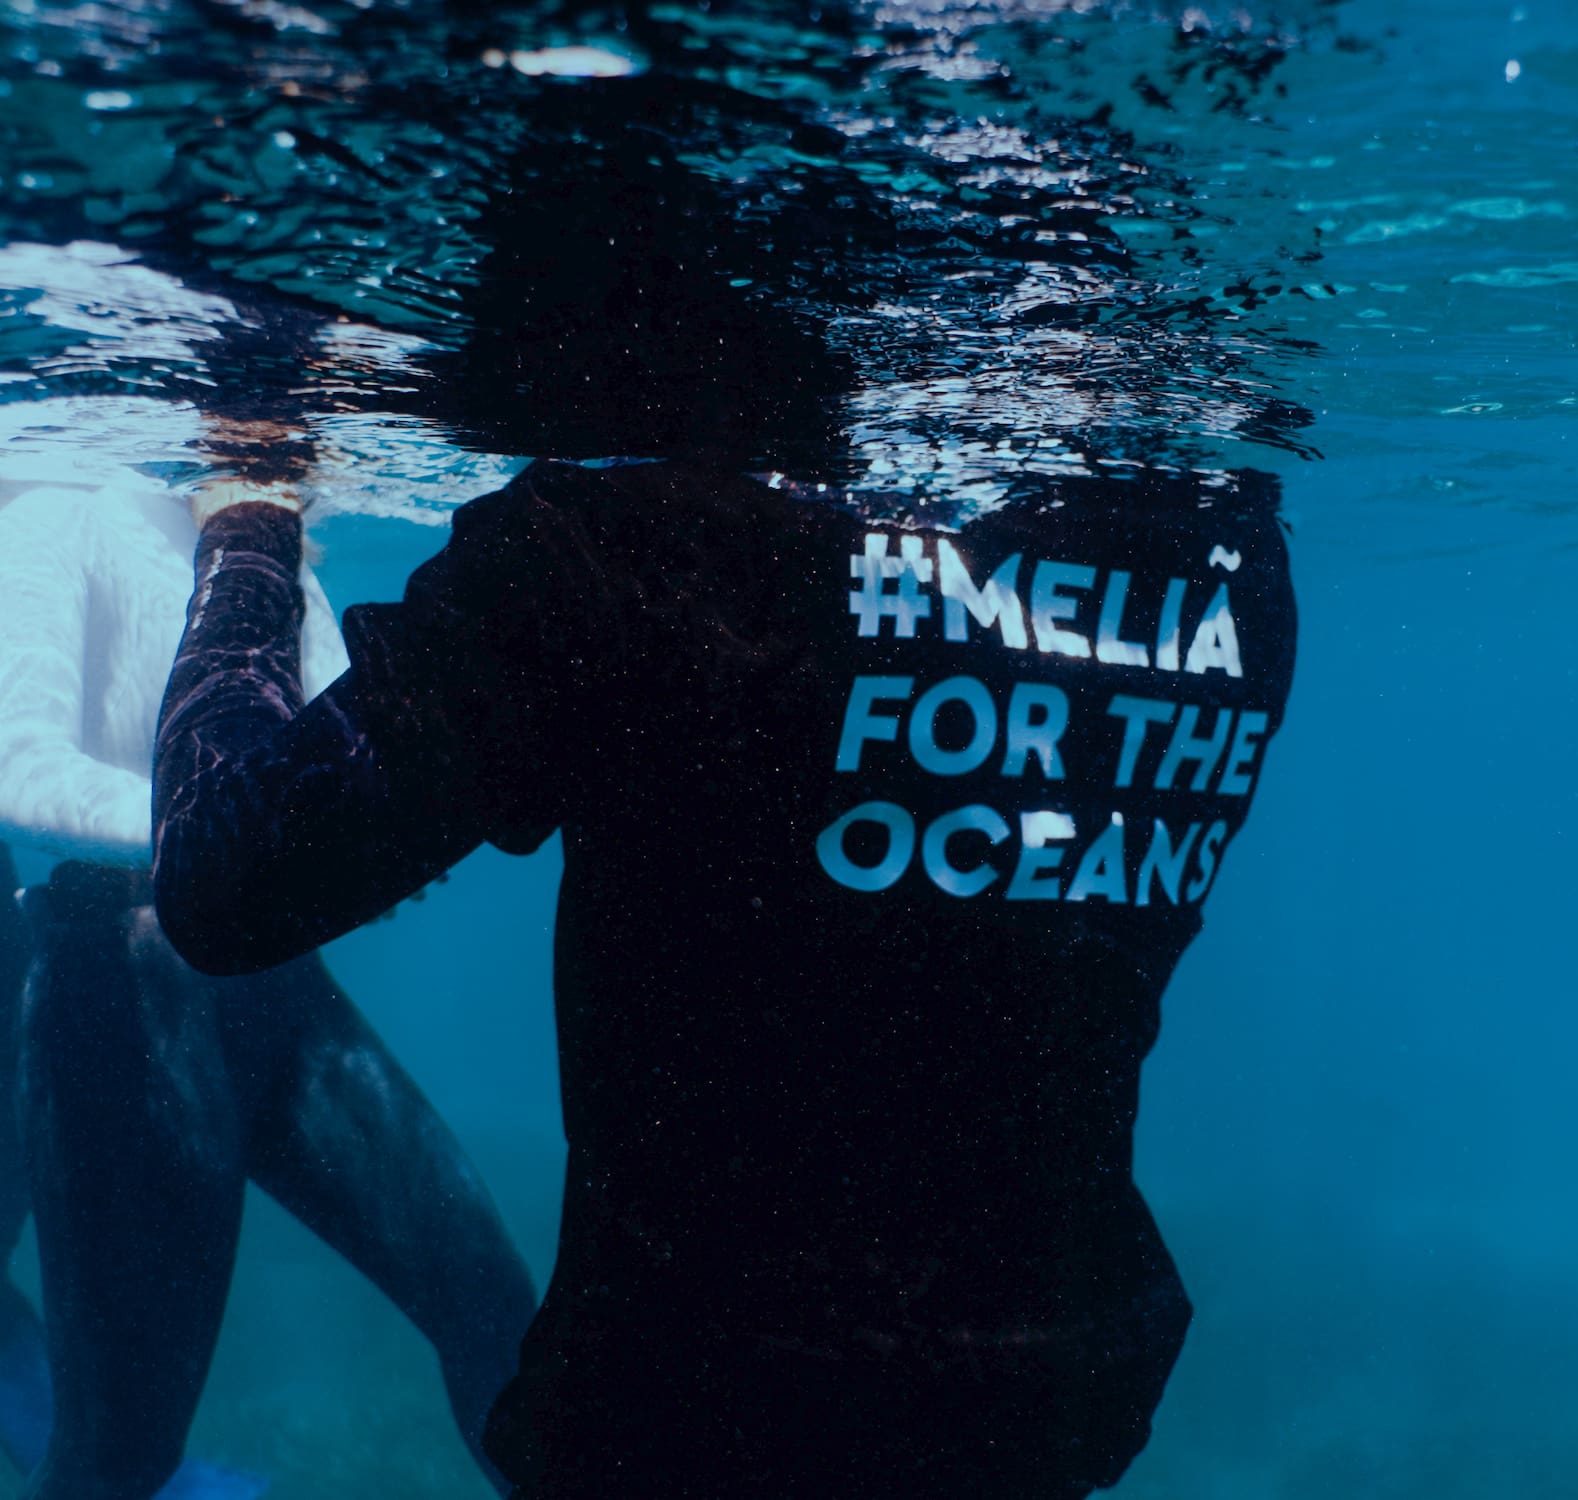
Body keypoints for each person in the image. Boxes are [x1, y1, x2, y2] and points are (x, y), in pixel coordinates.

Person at [152, 450, 1298, 1498]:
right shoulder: (1223, 548)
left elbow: (228, 879)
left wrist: (249, 517)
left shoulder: (663, 535)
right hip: (1041, 1405)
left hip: (706, 1425)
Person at [0, 474, 538, 1500]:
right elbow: (17, 768)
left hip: (266, 974)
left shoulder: (249, 518)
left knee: (498, 1320)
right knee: (120, 1451)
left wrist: (373, 841)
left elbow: (335, 736)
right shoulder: (48, 511)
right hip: (114, 978)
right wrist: (237, 838)